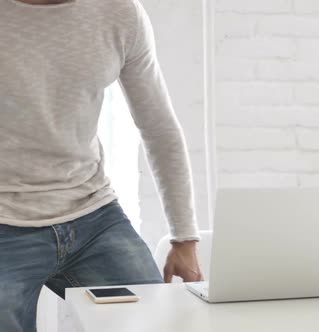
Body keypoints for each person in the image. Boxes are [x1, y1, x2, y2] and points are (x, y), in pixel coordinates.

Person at [0, 0, 204, 330]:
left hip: (94, 219)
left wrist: (185, 240)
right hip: (5, 220)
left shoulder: (119, 12)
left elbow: (159, 128)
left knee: (157, 321)